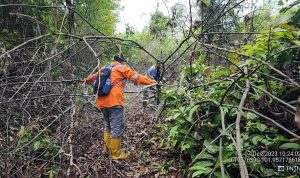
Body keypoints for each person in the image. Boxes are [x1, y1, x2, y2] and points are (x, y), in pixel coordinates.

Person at [85, 54, 156, 160]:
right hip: (115, 103)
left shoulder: (104, 68)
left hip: (102, 103)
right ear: (122, 61)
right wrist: (153, 82)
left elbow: (89, 79)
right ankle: (116, 154)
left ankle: (107, 149)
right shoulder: (122, 68)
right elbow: (137, 78)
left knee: (108, 126)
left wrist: (85, 81)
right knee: (116, 128)